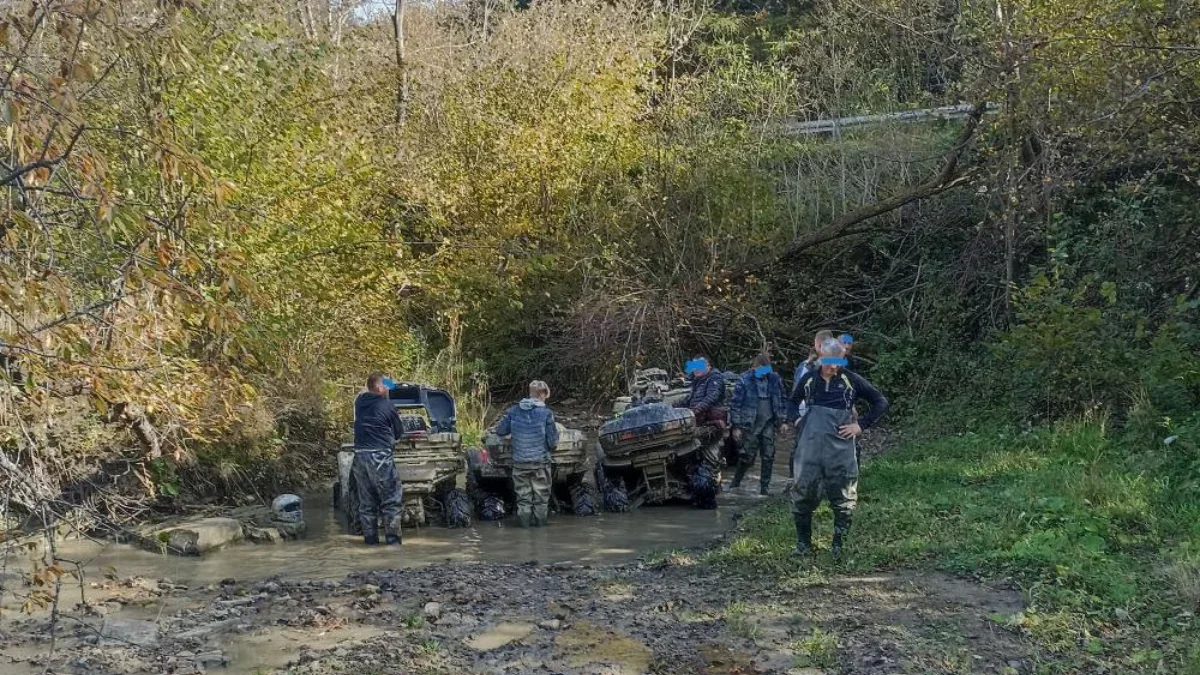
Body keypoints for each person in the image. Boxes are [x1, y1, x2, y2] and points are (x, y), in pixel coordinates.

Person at [788, 339, 889, 557]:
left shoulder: (851, 380)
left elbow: (880, 401)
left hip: (840, 448)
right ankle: (803, 544)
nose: (833, 367)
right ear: (821, 358)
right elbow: (792, 402)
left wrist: (860, 425)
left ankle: (838, 546)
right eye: (829, 362)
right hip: (810, 447)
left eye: (838, 362)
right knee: (803, 491)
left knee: (844, 495)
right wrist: (796, 421)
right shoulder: (809, 379)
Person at [495, 380, 559, 527]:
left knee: (523, 499)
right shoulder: (546, 413)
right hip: (540, 463)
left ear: (530, 393)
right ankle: (540, 533)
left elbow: (500, 431)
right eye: (546, 395)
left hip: (520, 463)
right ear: (542, 394)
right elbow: (553, 442)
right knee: (541, 499)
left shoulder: (513, 411)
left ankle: (525, 531)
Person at [352, 372, 406, 545]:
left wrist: (380, 384)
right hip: (379, 456)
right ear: (380, 388)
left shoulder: (359, 403)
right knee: (391, 499)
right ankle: (393, 542)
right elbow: (399, 433)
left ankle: (371, 542)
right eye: (387, 386)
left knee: (366, 502)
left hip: (359, 456)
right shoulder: (387, 405)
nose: (389, 390)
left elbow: (367, 389)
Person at [730, 353, 789, 496]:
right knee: (747, 457)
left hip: (769, 422)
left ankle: (764, 489)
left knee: (769, 455)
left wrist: (783, 421)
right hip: (750, 423)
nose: (763, 374)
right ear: (754, 368)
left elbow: (782, 399)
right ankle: (735, 484)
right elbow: (735, 404)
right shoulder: (744, 380)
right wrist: (736, 426)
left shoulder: (775, 379)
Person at [788, 330, 833, 478]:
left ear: (817, 344)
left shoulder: (807, 366)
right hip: (826, 417)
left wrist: (795, 417)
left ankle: (796, 482)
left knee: (801, 450)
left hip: (810, 414)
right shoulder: (838, 366)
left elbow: (796, 394)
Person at [678, 356, 728, 469]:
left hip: (713, 423)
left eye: (700, 366)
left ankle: (714, 468)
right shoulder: (697, 381)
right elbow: (688, 399)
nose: (696, 369)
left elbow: (711, 397)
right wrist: (669, 407)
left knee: (710, 461)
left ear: (708, 366)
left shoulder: (714, 378)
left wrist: (694, 411)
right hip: (698, 422)